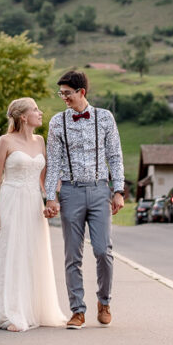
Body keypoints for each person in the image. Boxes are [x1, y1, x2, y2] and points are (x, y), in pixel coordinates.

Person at [44, 70, 125, 328]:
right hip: (70, 191)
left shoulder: (105, 118)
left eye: (67, 93)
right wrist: (50, 197)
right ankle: (77, 310)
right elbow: (53, 162)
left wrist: (119, 190)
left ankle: (105, 301)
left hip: (101, 190)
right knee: (72, 255)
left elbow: (115, 155)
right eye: (61, 94)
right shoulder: (57, 122)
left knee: (103, 250)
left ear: (82, 92)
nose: (64, 98)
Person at [0, 97, 66, 331]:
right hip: (10, 201)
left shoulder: (40, 141)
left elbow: (44, 178)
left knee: (32, 252)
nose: (40, 113)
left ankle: (33, 309)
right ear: (22, 117)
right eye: (35, 110)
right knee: (11, 253)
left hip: (32, 204)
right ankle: (9, 313)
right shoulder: (5, 141)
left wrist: (52, 200)